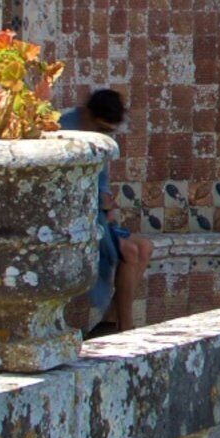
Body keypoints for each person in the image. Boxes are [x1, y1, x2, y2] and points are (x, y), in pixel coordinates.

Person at [63, 87, 146, 334]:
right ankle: (126, 327)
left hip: (99, 215)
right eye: (102, 128)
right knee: (130, 252)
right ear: (88, 115)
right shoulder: (66, 130)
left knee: (145, 248)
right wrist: (100, 202)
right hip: (78, 218)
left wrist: (107, 204)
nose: (105, 135)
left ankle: (110, 320)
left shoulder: (96, 135)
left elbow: (102, 178)